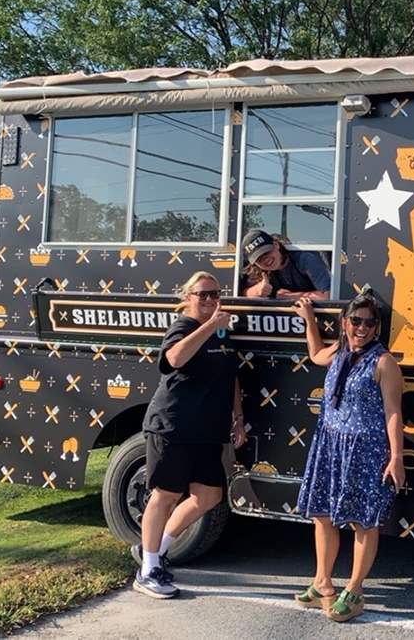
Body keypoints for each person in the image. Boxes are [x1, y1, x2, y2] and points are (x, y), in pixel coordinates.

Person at [133, 271, 246, 599]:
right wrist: (210, 325)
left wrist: (238, 418)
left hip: (207, 430)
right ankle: (148, 571)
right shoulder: (183, 327)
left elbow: (231, 377)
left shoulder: (222, 332)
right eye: (202, 295)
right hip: (173, 425)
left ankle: (155, 550)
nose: (210, 299)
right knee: (165, 495)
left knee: (208, 496)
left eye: (214, 294)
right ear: (188, 297)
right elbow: (173, 358)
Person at [291, 293, 404, 622]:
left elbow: (394, 412)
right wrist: (310, 320)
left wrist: (395, 457)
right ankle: (322, 583)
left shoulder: (384, 363)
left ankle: (354, 590)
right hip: (330, 443)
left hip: (364, 449)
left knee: (362, 521)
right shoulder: (339, 351)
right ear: (345, 323)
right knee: (322, 514)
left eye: (370, 323)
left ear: (377, 328)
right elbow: (314, 355)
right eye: (356, 321)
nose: (362, 328)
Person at [241, 229, 330, 299]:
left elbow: (327, 295)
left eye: (266, 252)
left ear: (276, 245)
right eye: (258, 258)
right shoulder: (258, 270)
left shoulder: (304, 259)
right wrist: (257, 290)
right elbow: (243, 293)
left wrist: (288, 296)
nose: (265, 259)